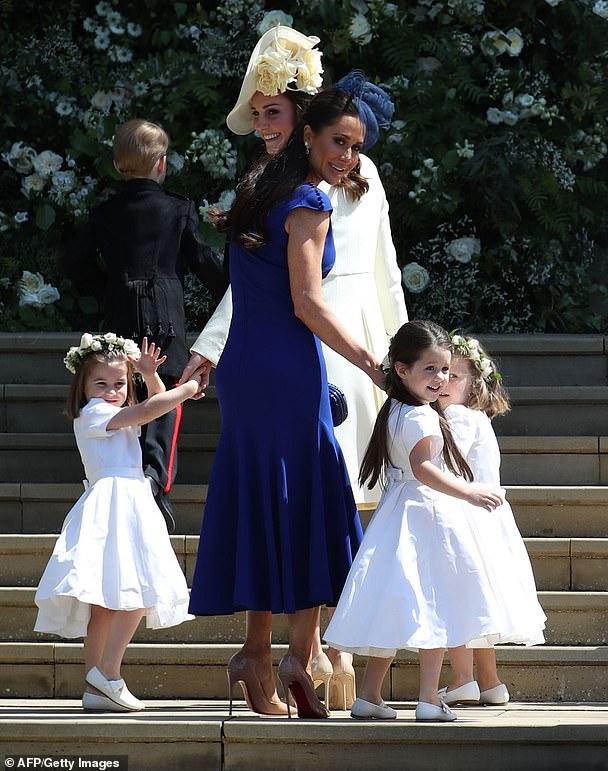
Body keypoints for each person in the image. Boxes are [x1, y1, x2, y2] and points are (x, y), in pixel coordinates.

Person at [182, 26, 407, 709]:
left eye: (355, 145)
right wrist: (376, 363)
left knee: (269, 499)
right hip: (288, 361)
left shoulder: (257, 186)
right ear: (310, 135)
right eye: (338, 141)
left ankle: (265, 655)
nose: (348, 154)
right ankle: (292, 659)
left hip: (253, 365)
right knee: (307, 501)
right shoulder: (307, 201)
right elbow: (308, 303)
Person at [324, 320, 523, 722]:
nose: (441, 378)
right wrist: (469, 491)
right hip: (428, 512)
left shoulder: (396, 407)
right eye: (430, 369)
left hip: (397, 512)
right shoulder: (423, 416)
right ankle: (430, 699)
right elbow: (424, 467)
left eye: (446, 370)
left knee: (394, 601)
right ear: (401, 369)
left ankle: (370, 696)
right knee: (434, 603)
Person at [64, 119, 228, 532]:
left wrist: (105, 289)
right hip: (166, 316)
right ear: (162, 163)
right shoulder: (177, 207)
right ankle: (155, 479)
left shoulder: (104, 212)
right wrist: (233, 288)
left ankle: (136, 476)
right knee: (166, 399)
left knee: (126, 394)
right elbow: (203, 262)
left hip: (120, 316)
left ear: (120, 164)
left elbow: (74, 261)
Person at [33, 333, 205, 712]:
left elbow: (155, 408)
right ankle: (108, 672)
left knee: (108, 604)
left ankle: (96, 688)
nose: (111, 391)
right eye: (101, 383)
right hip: (116, 502)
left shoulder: (115, 413)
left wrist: (149, 376)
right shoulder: (94, 414)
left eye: (120, 384)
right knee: (137, 591)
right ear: (84, 386)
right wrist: (189, 386)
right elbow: (148, 411)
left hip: (127, 500)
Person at [436, 333, 546, 707]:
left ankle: (463, 678)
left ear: (474, 385)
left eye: (455, 376)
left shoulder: (457, 417)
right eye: (441, 372)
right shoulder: (475, 417)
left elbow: (444, 466)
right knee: (479, 603)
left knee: (459, 599)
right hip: (486, 520)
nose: (444, 382)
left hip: (466, 518)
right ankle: (490, 681)